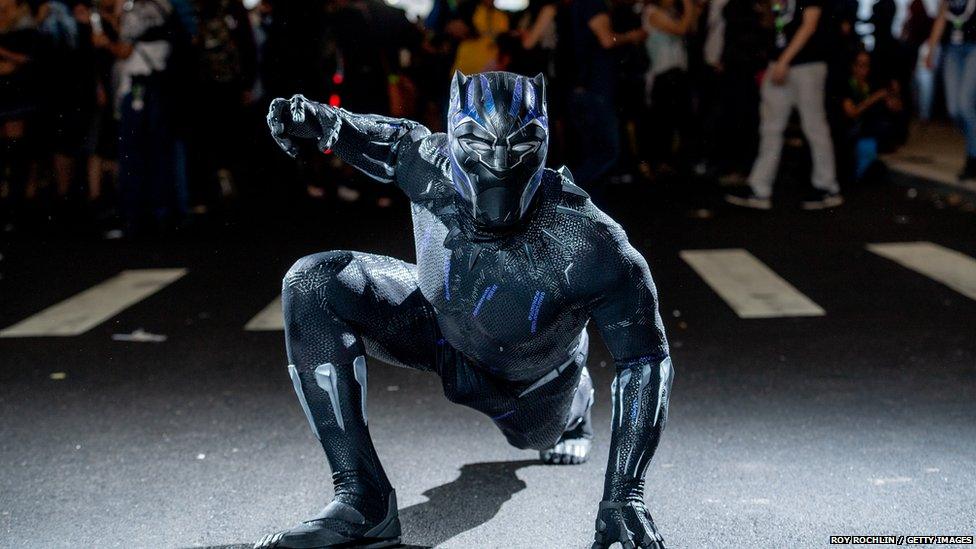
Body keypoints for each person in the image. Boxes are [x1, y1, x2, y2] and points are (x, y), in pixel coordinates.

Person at [260, 71, 674, 549]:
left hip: (529, 386)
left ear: (544, 143)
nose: (498, 160)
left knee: (537, 437)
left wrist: (626, 494)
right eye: (478, 142)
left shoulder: (591, 242)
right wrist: (317, 119)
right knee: (313, 282)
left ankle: (578, 400)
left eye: (519, 146)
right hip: (438, 328)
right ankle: (362, 498)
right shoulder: (427, 160)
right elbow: (370, 136)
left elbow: (644, 359)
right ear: (453, 134)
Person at [724, 0, 843, 210]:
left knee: (813, 126)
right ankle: (759, 187)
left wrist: (783, 60)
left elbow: (809, 25)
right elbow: (778, 22)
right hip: (779, 61)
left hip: (806, 64)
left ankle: (827, 186)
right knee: (771, 127)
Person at [559, 0, 646, 188]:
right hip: (594, 87)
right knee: (606, 151)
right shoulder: (593, 4)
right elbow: (607, 39)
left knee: (592, 151)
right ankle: (562, 191)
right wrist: (632, 36)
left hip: (582, 86)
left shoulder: (575, 6)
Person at [642, 0, 695, 175]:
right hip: (663, 73)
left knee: (675, 120)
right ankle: (657, 163)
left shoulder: (670, 13)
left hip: (676, 72)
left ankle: (668, 162)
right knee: (662, 121)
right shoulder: (652, 12)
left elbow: (690, 27)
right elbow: (681, 29)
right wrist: (688, 5)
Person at [926, 0, 976, 181]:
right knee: (954, 109)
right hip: (951, 50)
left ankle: (972, 158)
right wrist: (930, 51)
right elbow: (940, 18)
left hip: (973, 48)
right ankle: (974, 143)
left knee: (965, 104)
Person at [841, 50, 903, 182]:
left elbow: (896, 108)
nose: (863, 70)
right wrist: (874, 98)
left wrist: (893, 95)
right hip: (849, 130)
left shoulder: (871, 84)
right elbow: (852, 112)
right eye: (859, 65)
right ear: (852, 66)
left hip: (869, 131)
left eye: (866, 65)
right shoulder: (846, 84)